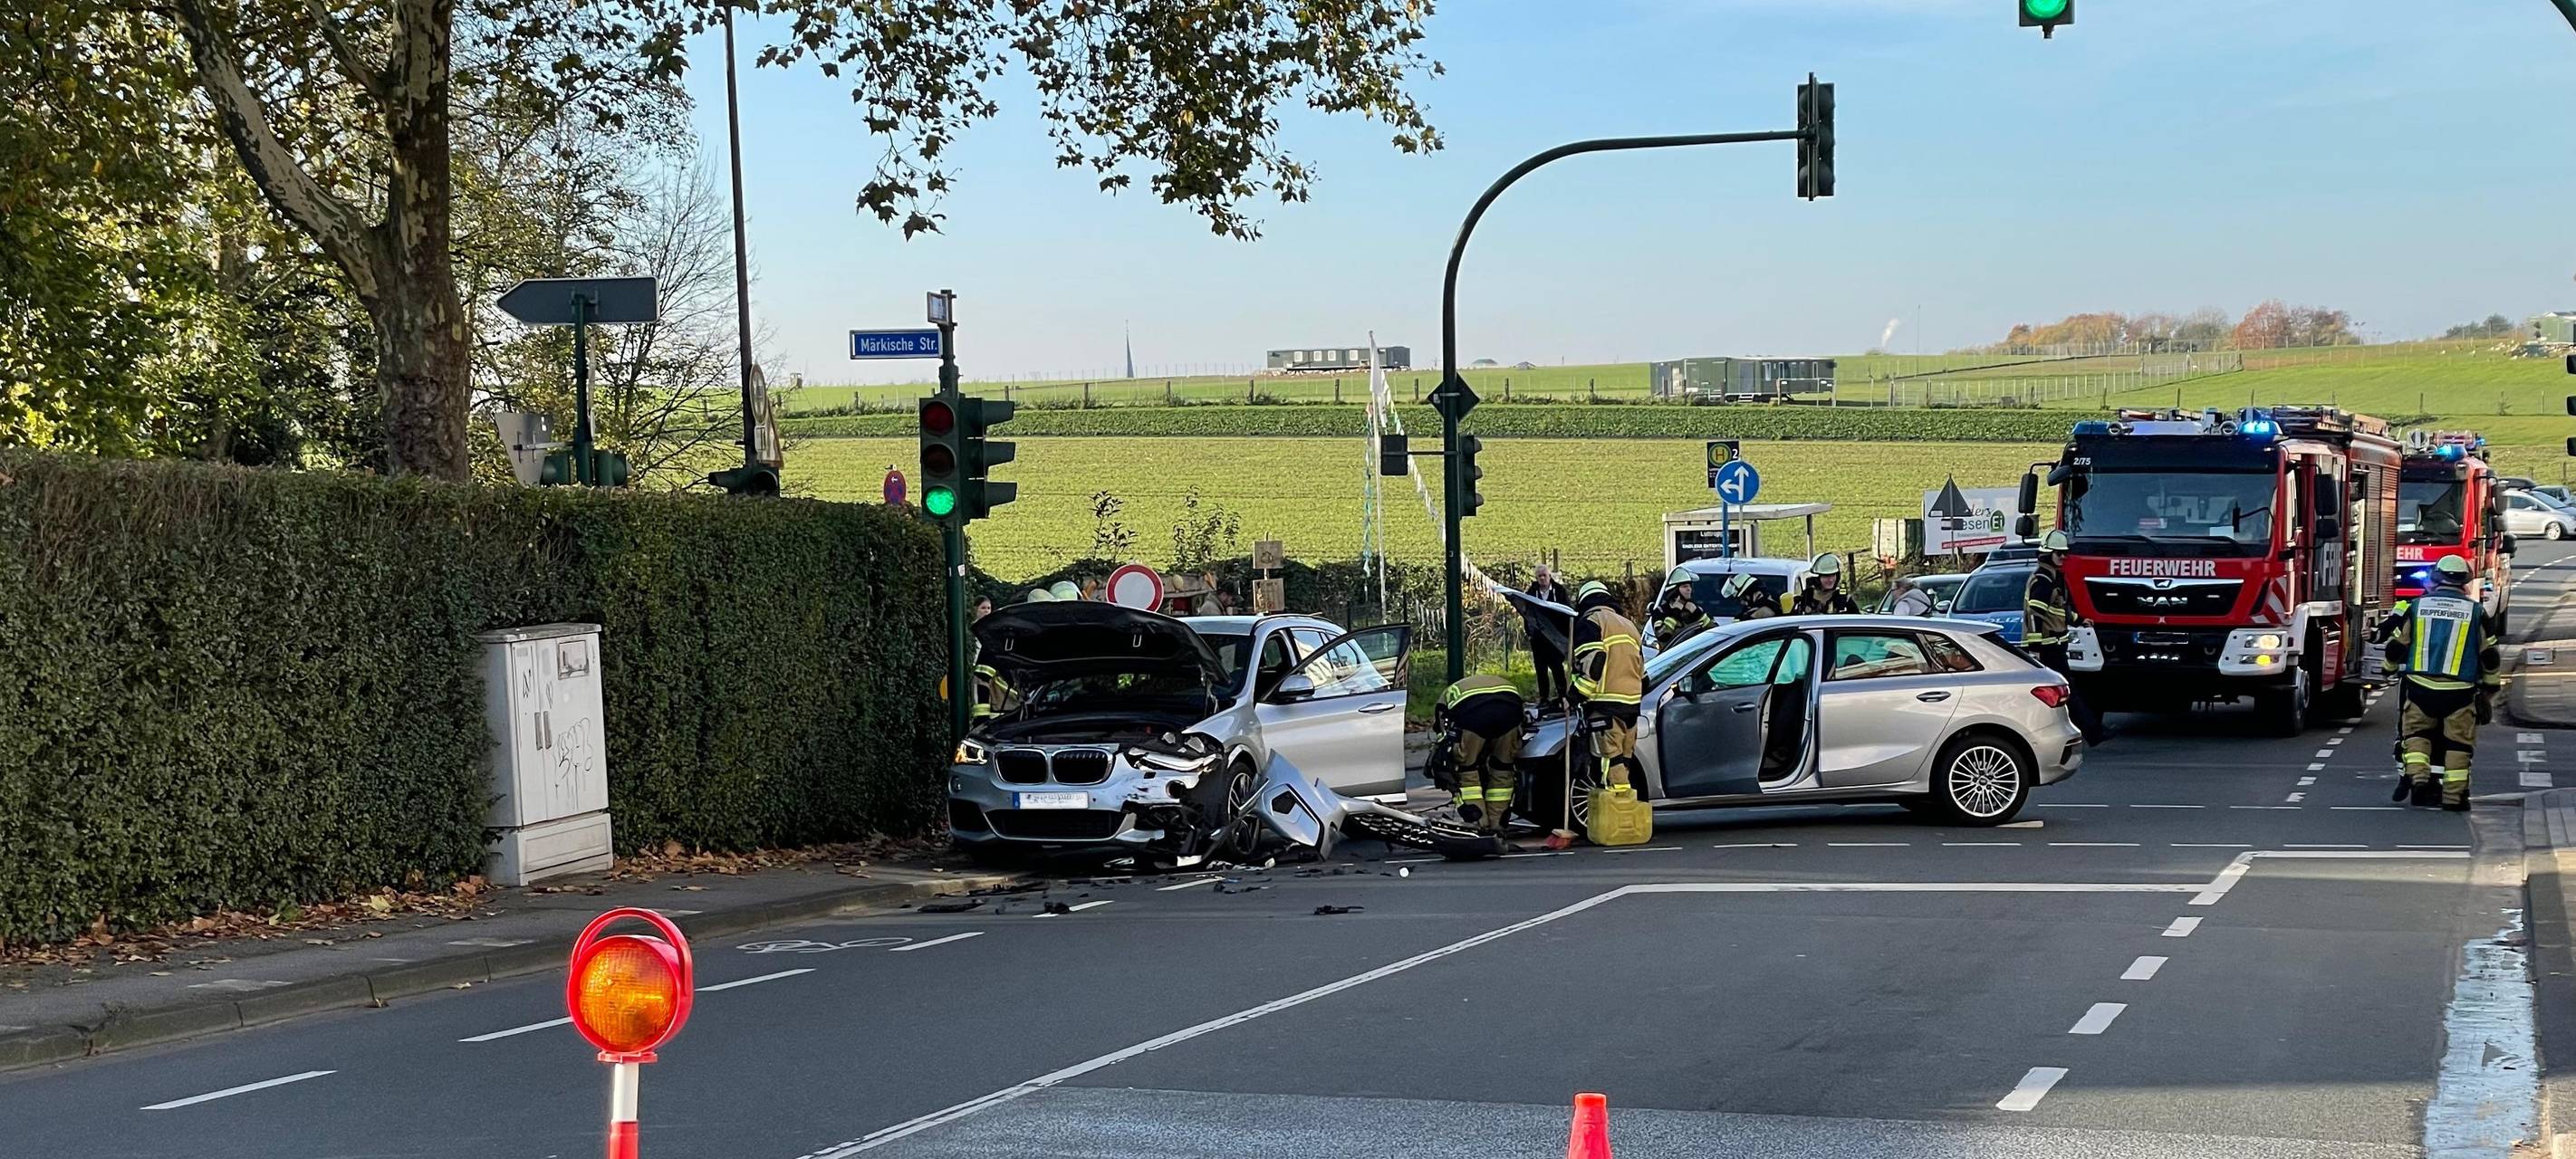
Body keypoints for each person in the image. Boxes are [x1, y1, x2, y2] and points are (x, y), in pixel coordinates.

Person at [2379, 554, 2502, 810]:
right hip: (2460, 691)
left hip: (2419, 687)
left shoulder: (2417, 606)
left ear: (2436, 577)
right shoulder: (2476, 611)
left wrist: (2387, 670)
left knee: (2415, 736)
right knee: (2458, 745)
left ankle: (2419, 778)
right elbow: (2489, 655)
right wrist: (2491, 687)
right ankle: (2454, 798)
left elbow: (2396, 646)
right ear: (2466, 581)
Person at [2023, 531, 2110, 746]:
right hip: (2048, 648)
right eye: (2059, 554)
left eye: (2065, 554)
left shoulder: (2053, 579)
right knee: (2067, 691)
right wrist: (2036, 646)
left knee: (2061, 692)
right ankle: (2093, 733)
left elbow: (2059, 611)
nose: (2063, 558)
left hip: (2055, 645)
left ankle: (2089, 731)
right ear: (2046, 554)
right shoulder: (2043, 581)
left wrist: (2080, 620)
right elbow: (2035, 614)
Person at [1569, 580, 1646, 792]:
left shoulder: (1591, 621)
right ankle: (1624, 812)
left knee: (1608, 763)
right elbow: (1643, 675)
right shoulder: (1628, 625)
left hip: (1605, 705)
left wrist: (1576, 694)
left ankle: (1614, 814)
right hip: (1631, 705)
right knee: (1623, 762)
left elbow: (1595, 662)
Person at [1430, 675, 1525, 836]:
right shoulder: (1493, 681)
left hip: (1472, 718)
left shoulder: (1443, 702)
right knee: (1503, 769)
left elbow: (1445, 741)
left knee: (1466, 772)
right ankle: (1498, 823)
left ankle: (1478, 822)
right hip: (1510, 713)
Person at [1523, 565, 1572, 703]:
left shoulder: (1559, 591)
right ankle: (1543, 698)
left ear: (1549, 576)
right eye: (1539, 576)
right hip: (1538, 638)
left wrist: (1565, 634)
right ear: (1536, 578)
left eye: (1545, 575)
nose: (1542, 578)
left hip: (1555, 637)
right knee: (1540, 668)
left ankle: (1563, 696)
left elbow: (1567, 611)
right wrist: (1530, 632)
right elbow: (1527, 613)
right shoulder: (1531, 593)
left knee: (1557, 667)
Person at [1649, 571, 1711, 647]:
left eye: (1689, 586)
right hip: (1671, 656)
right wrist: (1675, 613)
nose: (1689, 589)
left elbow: (1715, 631)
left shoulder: (1697, 610)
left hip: (1695, 655)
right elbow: (1662, 636)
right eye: (1685, 586)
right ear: (1674, 590)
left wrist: (1697, 613)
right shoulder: (1660, 611)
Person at [1788, 553, 1860, 617]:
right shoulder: (1807, 596)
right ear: (1817, 578)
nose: (1831, 580)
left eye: (1833, 575)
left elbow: (1858, 623)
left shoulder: (1844, 599)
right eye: (1826, 576)